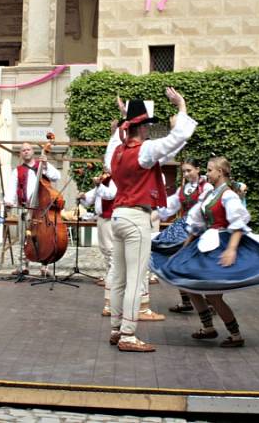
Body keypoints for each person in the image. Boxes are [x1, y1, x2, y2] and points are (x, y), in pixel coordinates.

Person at [154, 157, 259, 348]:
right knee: (188, 283)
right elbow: (197, 224)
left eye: (210, 170)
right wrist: (185, 247)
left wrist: (231, 249)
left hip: (219, 242)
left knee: (213, 295)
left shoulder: (228, 195)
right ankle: (208, 328)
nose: (207, 173)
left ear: (220, 172)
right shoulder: (210, 194)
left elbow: (238, 224)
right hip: (205, 241)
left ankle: (235, 334)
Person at [103, 88, 196, 352]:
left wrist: (125, 117)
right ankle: (128, 335)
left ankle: (116, 328)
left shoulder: (118, 152)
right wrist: (182, 106)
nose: (148, 131)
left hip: (119, 216)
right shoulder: (144, 151)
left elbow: (111, 149)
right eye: (146, 126)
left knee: (119, 278)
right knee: (135, 278)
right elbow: (179, 137)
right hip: (135, 217)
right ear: (141, 128)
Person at [155, 159, 213, 313]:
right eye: (184, 171)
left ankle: (210, 300)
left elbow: (206, 209)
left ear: (198, 169)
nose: (186, 174)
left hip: (200, 228)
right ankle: (186, 299)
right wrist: (154, 208)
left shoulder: (206, 187)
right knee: (174, 259)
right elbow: (170, 207)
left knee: (201, 265)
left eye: (189, 170)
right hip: (184, 227)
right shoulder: (184, 188)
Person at [4, 142, 61, 276]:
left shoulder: (42, 165)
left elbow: (56, 176)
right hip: (25, 208)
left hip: (42, 210)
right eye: (23, 150)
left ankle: (44, 266)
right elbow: (12, 187)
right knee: (24, 237)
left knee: (44, 237)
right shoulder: (17, 170)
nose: (26, 152)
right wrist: (8, 201)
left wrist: (46, 164)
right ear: (20, 154)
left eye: (28, 149)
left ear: (33, 152)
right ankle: (23, 265)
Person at [79, 169, 117, 316]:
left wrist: (98, 185)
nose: (105, 168)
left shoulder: (115, 179)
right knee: (107, 255)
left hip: (111, 219)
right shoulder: (105, 180)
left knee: (112, 255)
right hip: (102, 219)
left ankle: (111, 300)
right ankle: (110, 283)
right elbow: (91, 197)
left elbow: (110, 194)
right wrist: (84, 196)